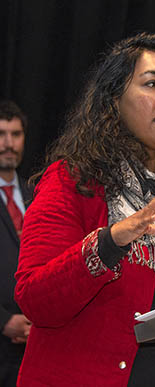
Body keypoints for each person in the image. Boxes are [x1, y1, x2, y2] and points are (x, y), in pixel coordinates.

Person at [14, 32, 155, 386]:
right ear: (114, 100)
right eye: (153, 84)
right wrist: (109, 243)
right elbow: (35, 298)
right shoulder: (75, 180)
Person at [0, 100, 32, 387]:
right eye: (1, 134)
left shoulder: (36, 193)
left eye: (16, 134)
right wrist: (3, 321)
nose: (8, 144)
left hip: (37, 342)